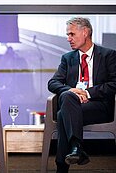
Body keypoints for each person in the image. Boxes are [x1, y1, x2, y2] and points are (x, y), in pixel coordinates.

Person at [48, 17, 116, 172]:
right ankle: (76, 148)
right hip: (73, 104)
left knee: (62, 114)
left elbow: (114, 84)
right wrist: (71, 91)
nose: (68, 38)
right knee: (66, 97)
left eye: (72, 34)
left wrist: (87, 93)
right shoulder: (67, 58)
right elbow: (52, 83)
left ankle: (62, 167)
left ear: (85, 32)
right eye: (67, 35)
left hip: (99, 107)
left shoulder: (108, 55)